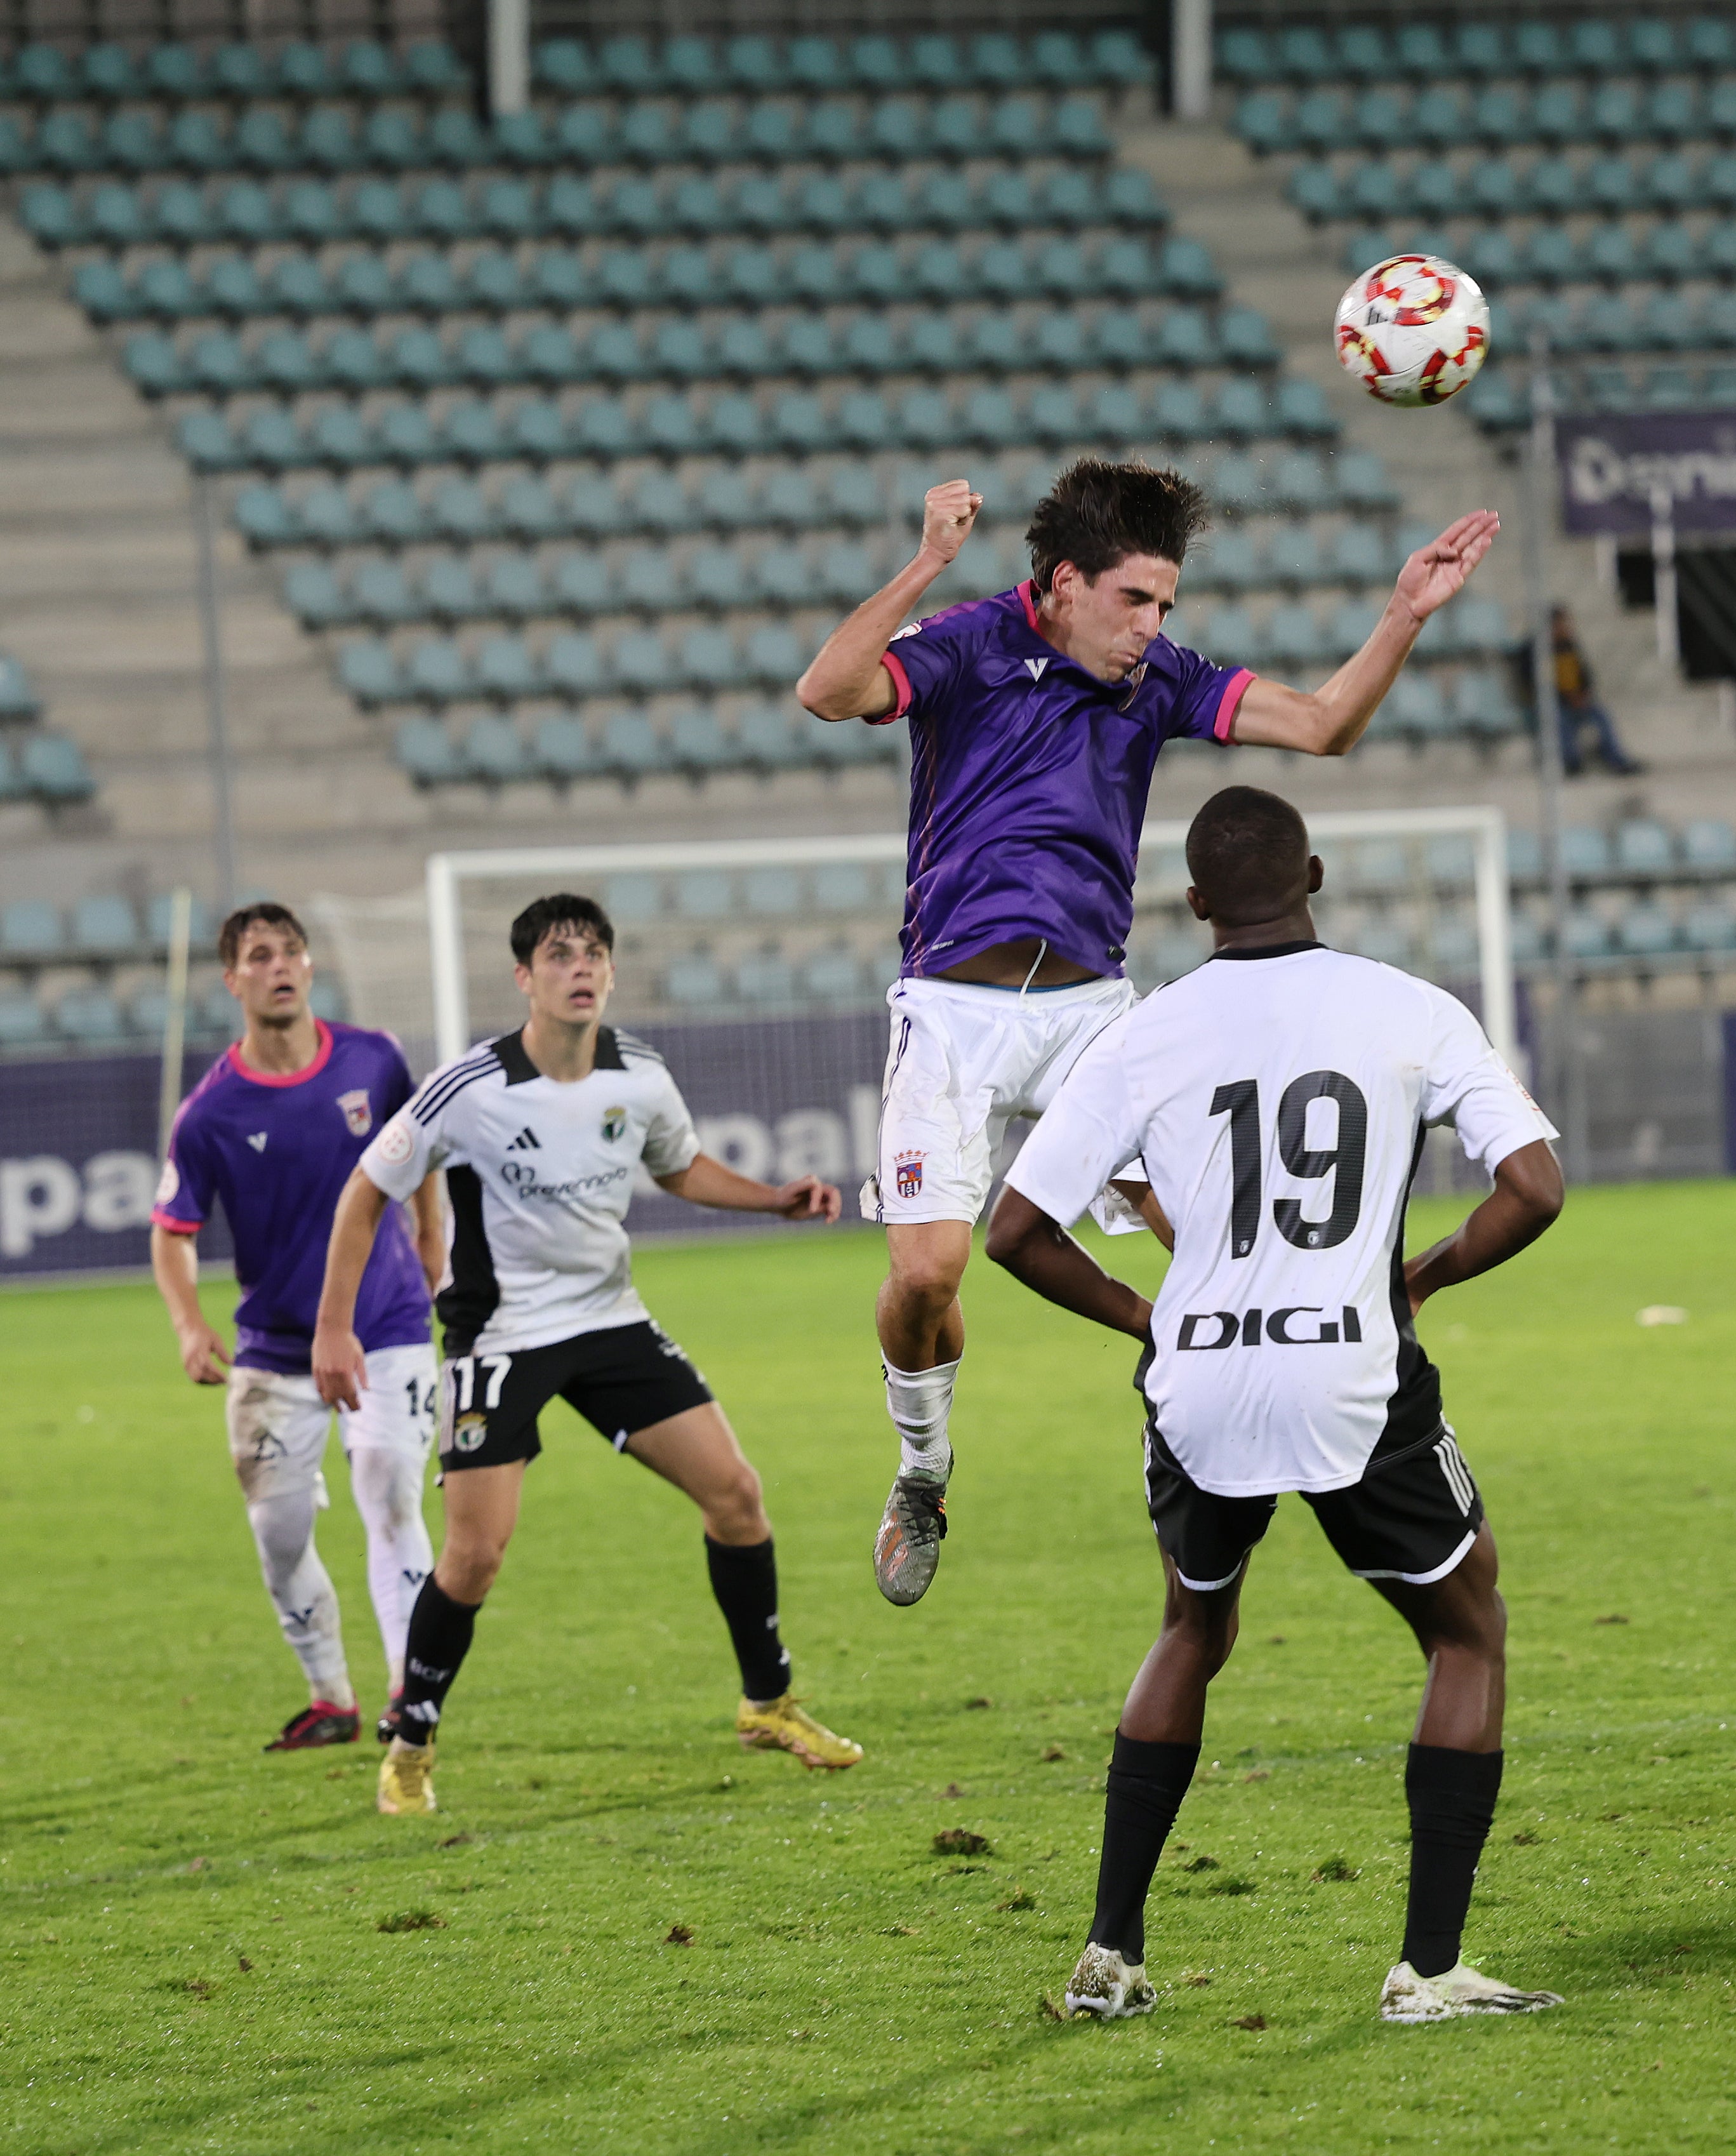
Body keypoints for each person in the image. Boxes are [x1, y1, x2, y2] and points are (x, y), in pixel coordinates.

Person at [795, 458, 1501, 1609]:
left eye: (1165, 604)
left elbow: (1321, 725)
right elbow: (826, 692)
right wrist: (926, 562)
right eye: (1135, 600)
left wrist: (1400, 616)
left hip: (1094, 1015)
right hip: (953, 1009)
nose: (1153, 626)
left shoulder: (1157, 682)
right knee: (926, 1273)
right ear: (1064, 584)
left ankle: (1346, 1401)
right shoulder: (965, 643)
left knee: (1212, 1238)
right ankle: (923, 1469)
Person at [986, 786, 1567, 2026]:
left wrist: (1149, 1314)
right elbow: (1534, 1188)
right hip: (1350, 1360)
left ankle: (1109, 1952)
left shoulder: (1140, 1036)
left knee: (1191, 1631)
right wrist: (1426, 1272)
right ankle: (1428, 1968)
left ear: (1193, 905)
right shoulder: (1410, 1008)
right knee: (1466, 1633)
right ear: (1313, 873)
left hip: (1194, 1377)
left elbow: (1013, 1234)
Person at [311, 893, 863, 1818]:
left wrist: (775, 1200)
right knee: (476, 1556)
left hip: (608, 1321)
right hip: (500, 1335)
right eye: (560, 955)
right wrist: (334, 1328)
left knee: (737, 1496)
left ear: (609, 973)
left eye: (594, 954)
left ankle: (768, 1703)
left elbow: (677, 1165)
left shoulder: (637, 1074)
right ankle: (410, 1744)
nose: (580, 968)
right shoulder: (469, 1087)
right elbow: (366, 1191)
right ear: (524, 978)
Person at [150, 902, 441, 1751]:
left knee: (389, 1487)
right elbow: (173, 1233)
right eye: (259, 955)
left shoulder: (374, 1059)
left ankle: (408, 1695)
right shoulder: (209, 1112)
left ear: (311, 968)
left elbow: (418, 1149)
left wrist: (432, 1232)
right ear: (233, 980)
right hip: (275, 1348)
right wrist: (188, 1324)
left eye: (291, 952)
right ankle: (331, 1697)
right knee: (280, 1535)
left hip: (385, 1320)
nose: (279, 966)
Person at [1523, 606, 1640, 776]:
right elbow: (1536, 683)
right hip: (1555, 703)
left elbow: (1585, 675)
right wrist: (1566, 698)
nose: (1566, 628)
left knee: (1602, 716)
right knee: (1560, 719)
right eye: (1561, 624)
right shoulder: (1534, 650)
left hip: (1578, 700)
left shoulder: (1570, 646)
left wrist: (1583, 695)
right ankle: (1571, 763)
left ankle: (1616, 760)